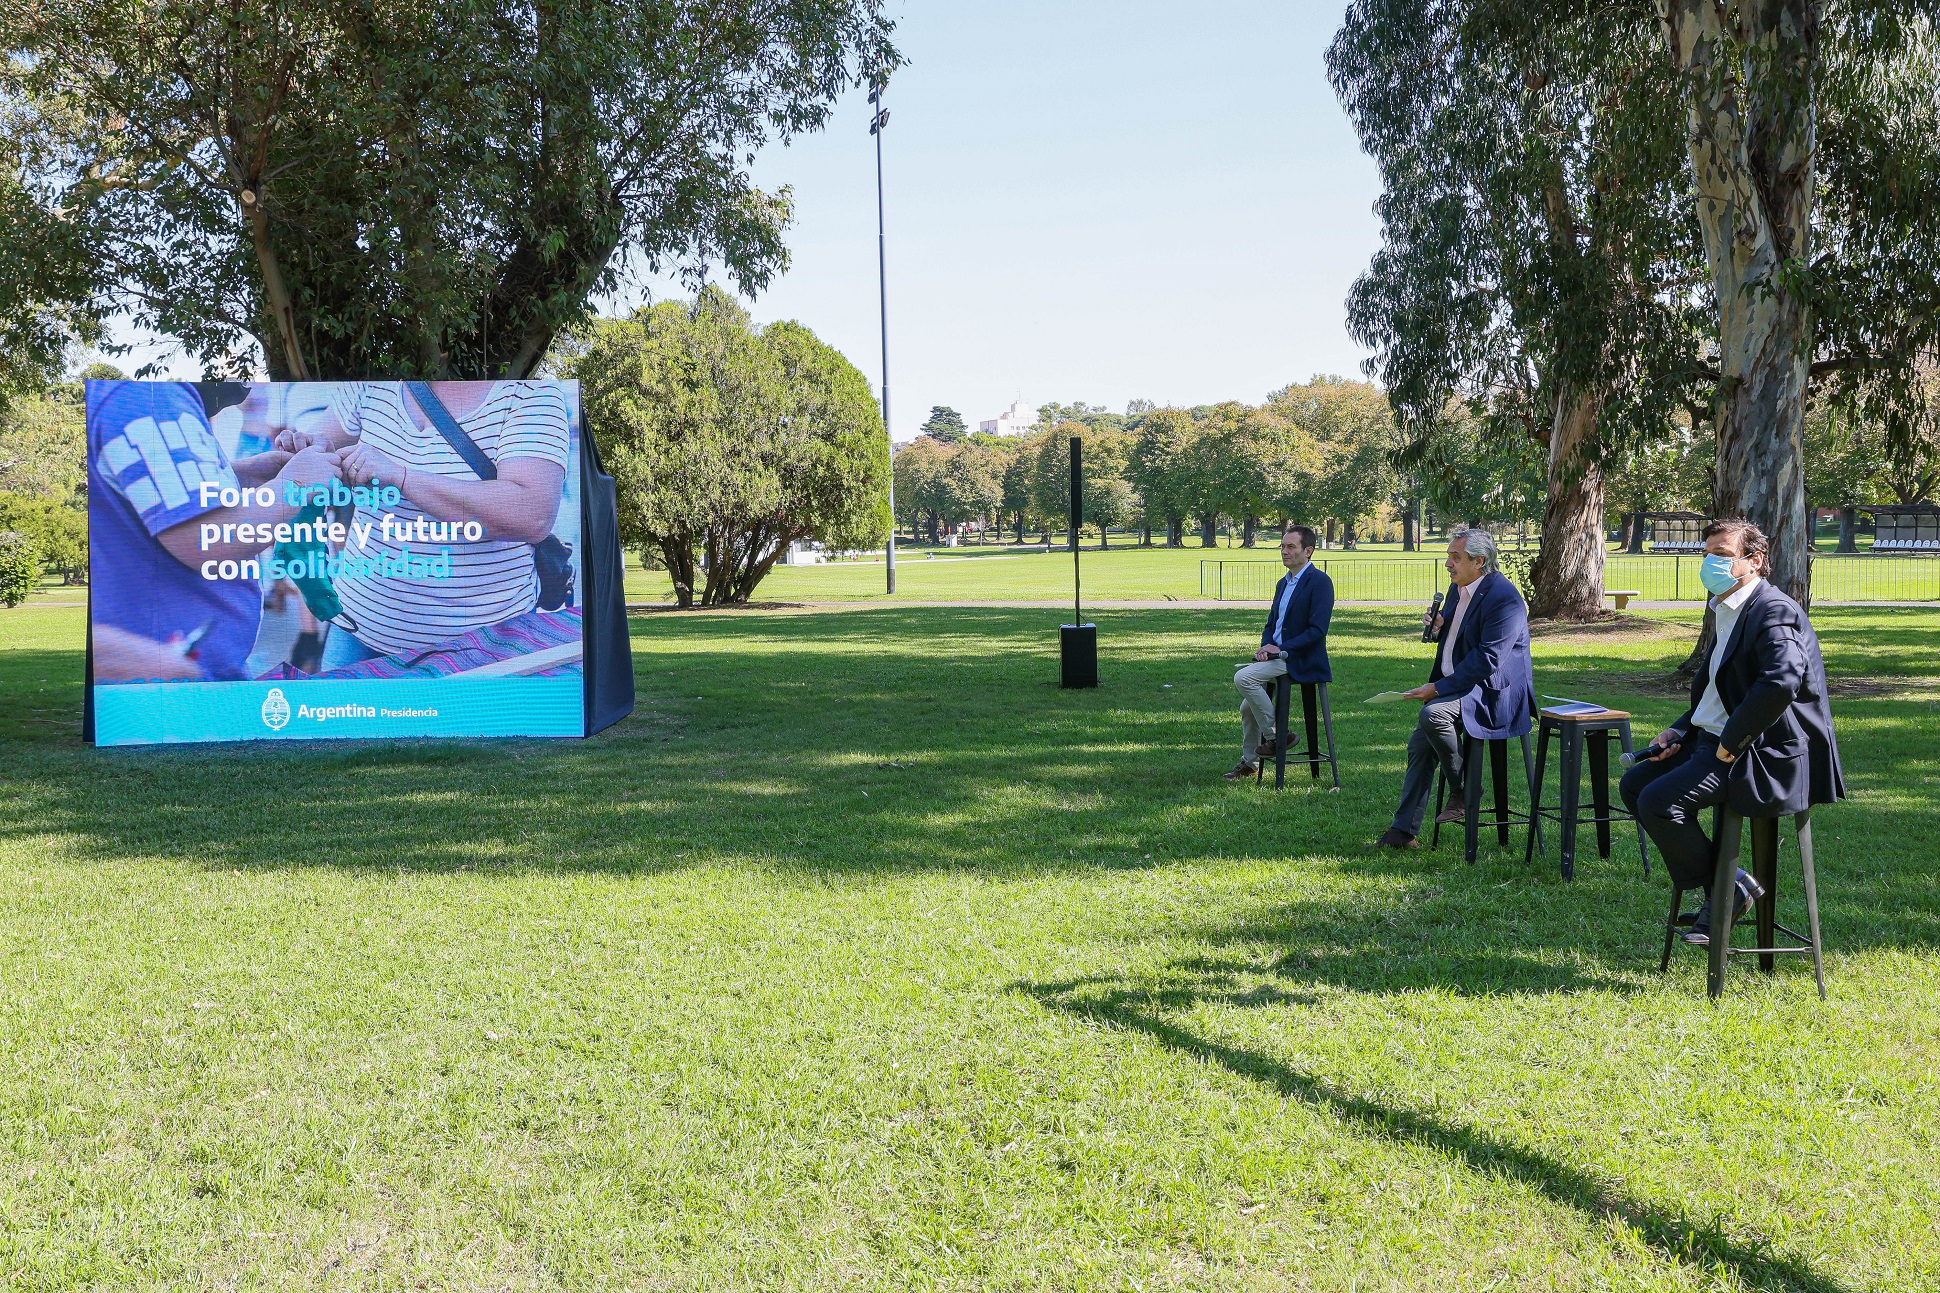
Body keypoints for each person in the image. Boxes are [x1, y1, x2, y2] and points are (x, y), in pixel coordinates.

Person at [1619, 519, 1844, 943]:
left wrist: (1729, 743)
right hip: (1714, 740)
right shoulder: (1728, 607)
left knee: (1660, 802)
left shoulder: (1772, 609)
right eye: (1707, 554)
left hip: (1761, 752)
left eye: (1721, 556)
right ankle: (1728, 890)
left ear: (1754, 561)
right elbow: (1724, 688)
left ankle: (1725, 893)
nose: (1710, 563)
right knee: (1635, 785)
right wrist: (1680, 730)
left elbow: (1780, 682)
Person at [258, 381, 572, 669]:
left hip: (481, 647)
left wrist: (401, 476)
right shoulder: (370, 382)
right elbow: (326, 438)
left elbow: (533, 516)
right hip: (355, 629)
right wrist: (305, 447)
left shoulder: (531, 393)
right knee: (341, 731)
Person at [87, 380, 342, 681]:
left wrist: (239, 476)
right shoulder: (153, 397)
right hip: (171, 686)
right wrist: (296, 485)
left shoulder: (145, 397)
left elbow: (142, 498)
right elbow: (206, 540)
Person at [1373, 528, 1534, 849]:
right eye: (1449, 555)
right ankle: (1403, 833)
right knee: (1420, 746)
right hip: (1460, 689)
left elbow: (1489, 659)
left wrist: (1437, 688)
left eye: (1455, 557)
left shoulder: (1505, 599)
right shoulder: (1457, 588)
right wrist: (1438, 628)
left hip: (1493, 693)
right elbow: (1454, 637)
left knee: (1433, 715)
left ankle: (1463, 790)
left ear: (1479, 561)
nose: (1448, 563)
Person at [1226, 525, 1334, 780]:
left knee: (1244, 678)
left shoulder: (1320, 582)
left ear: (1308, 551)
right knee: (1246, 707)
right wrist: (1266, 647)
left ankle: (1278, 736)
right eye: (1282, 546)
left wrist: (1282, 648)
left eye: (1290, 547)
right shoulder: (1283, 583)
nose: (1284, 551)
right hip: (1278, 657)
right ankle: (1250, 762)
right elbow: (1271, 624)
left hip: (1302, 660)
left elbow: (1317, 631)